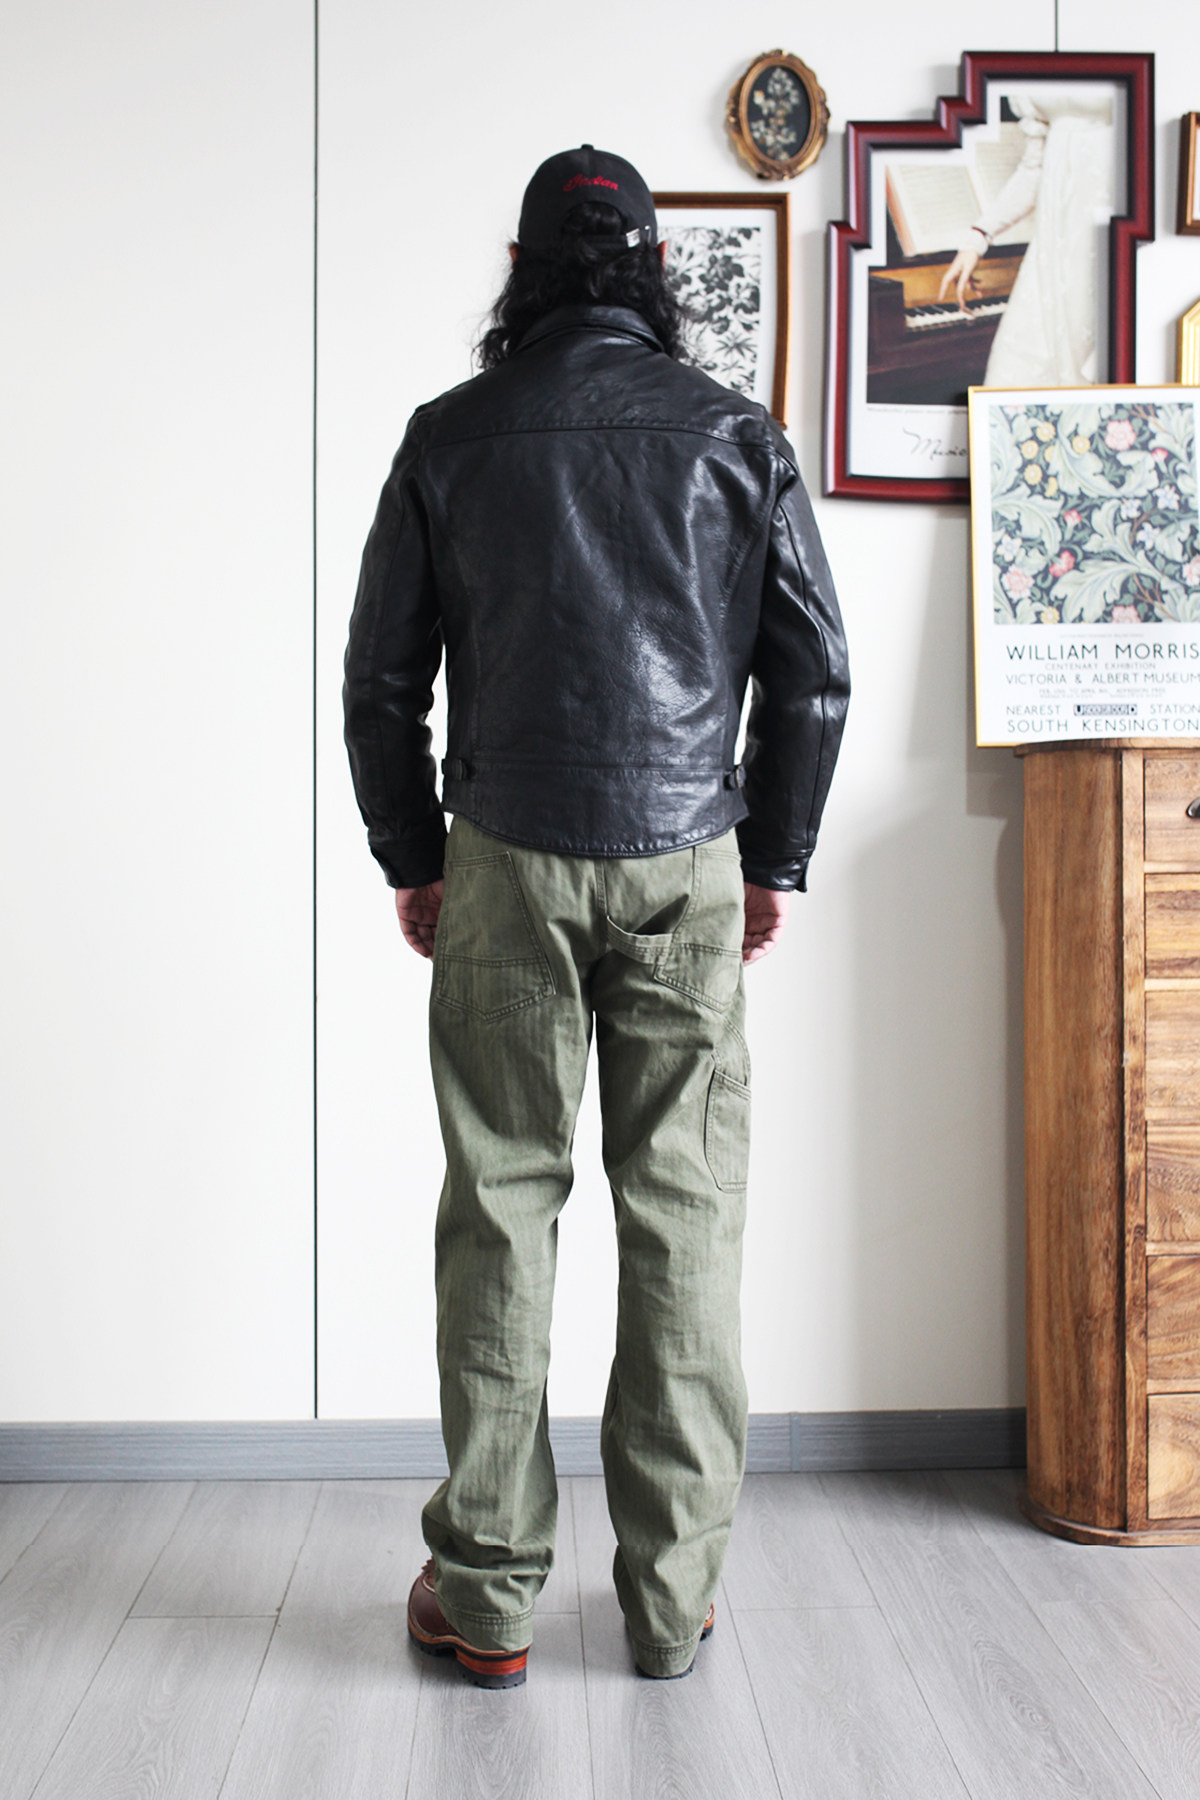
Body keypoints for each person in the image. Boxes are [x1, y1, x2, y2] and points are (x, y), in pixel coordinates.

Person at [343, 145, 849, 1688]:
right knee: (682, 1215)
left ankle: (489, 1596)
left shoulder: (452, 436)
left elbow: (380, 679)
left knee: (501, 1205)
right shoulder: (735, 435)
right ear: (654, 273)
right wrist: (772, 858)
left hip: (503, 855)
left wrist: (412, 853)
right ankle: (670, 1598)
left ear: (522, 273)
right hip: (686, 855)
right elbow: (811, 676)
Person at [937, 90, 1115, 386]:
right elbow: (1034, 169)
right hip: (1051, 248)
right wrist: (978, 236)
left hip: (1106, 243)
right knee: (1012, 375)